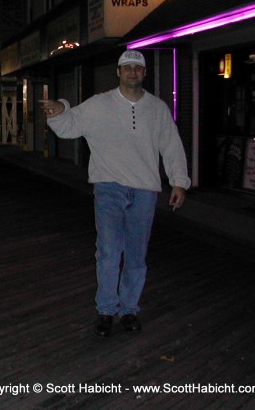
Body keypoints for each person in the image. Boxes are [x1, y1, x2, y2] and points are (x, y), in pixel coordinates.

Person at [44, 50, 190, 337]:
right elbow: (69, 125)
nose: (132, 72)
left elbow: (171, 145)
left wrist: (179, 181)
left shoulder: (157, 108)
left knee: (136, 254)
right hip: (109, 187)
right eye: (127, 67)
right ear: (118, 72)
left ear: (144, 73)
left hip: (145, 191)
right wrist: (58, 108)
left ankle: (129, 309)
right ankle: (106, 310)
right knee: (109, 251)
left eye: (138, 68)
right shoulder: (100, 104)